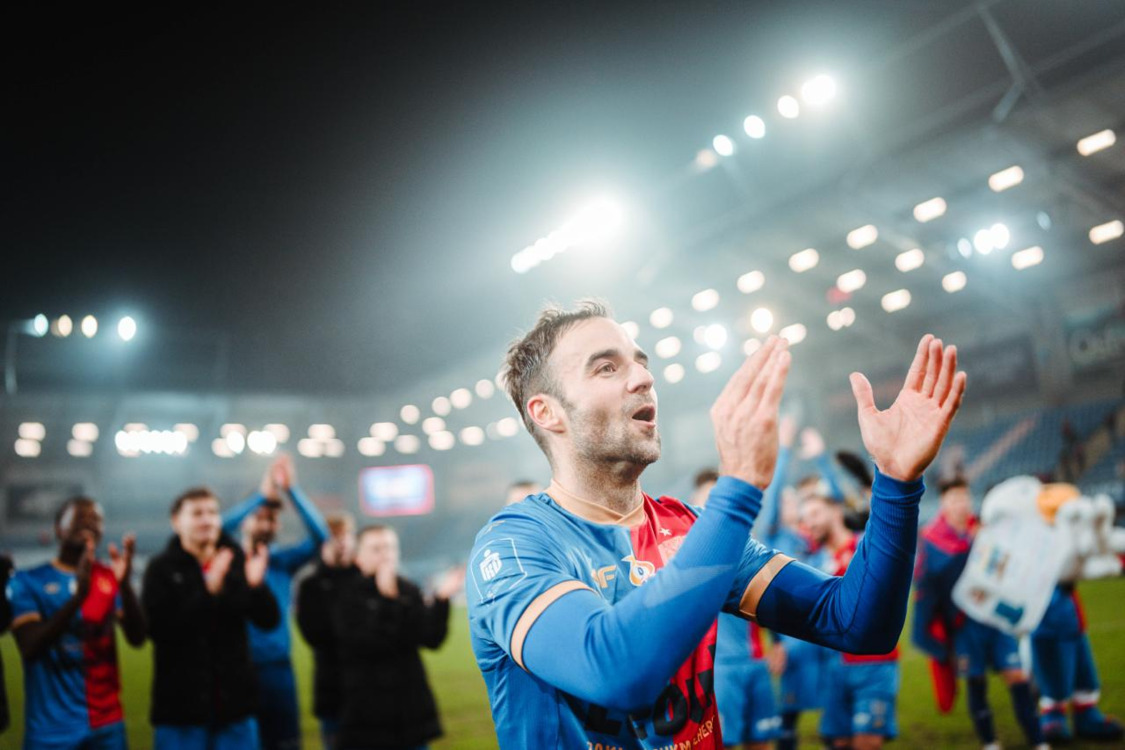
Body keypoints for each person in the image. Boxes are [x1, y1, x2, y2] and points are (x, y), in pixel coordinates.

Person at [467, 301, 965, 748]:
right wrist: (738, 488)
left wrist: (896, 483)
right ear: (547, 412)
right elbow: (615, 670)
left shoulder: (690, 527)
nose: (642, 378)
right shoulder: (511, 548)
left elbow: (856, 624)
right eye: (606, 367)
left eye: (641, 362)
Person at [912, 477, 1047, 750]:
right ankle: (990, 743)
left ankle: (1038, 741)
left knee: (1018, 677)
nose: (961, 504)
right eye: (954, 499)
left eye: (964, 497)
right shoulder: (932, 540)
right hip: (963, 626)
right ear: (944, 504)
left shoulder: (986, 529)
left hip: (995, 619)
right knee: (976, 682)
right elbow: (926, 584)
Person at [142, 487, 279, 749]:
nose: (207, 520)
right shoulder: (161, 569)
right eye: (197, 514)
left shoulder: (235, 560)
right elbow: (158, 630)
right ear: (176, 522)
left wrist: (256, 587)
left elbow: (268, 620)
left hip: (236, 711)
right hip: (181, 713)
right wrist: (208, 590)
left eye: (213, 513)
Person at [6, 497, 145, 750]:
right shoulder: (27, 581)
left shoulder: (109, 577)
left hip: (106, 724)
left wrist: (125, 587)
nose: (89, 522)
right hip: (50, 729)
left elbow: (137, 639)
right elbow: (30, 647)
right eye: (80, 517)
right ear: (59, 528)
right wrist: (78, 597)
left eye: (96, 519)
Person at [222, 454, 329, 750]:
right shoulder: (227, 561)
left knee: (285, 744)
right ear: (245, 520)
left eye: (272, 518)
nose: (266, 524)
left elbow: (322, 538)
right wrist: (261, 496)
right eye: (260, 516)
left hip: (279, 670)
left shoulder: (282, 562)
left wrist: (291, 490)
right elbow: (218, 530)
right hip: (237, 669)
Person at [332, 525, 464, 750]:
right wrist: (388, 600)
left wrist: (441, 600)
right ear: (358, 557)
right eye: (376, 549)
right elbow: (368, 645)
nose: (385, 555)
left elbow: (431, 639)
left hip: (411, 714)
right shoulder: (346, 594)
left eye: (390, 548)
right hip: (367, 715)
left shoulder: (407, 589)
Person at [801, 487, 899, 750]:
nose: (809, 523)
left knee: (867, 742)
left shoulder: (866, 547)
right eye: (805, 518)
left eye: (815, 514)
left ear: (835, 511)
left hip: (873, 663)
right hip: (833, 666)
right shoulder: (813, 563)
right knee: (839, 742)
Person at [696, 470, 779, 750]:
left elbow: (768, 599)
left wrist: (778, 643)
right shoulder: (690, 558)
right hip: (719, 669)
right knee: (723, 742)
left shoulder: (746, 550)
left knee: (761, 741)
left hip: (756, 662)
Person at [296, 512, 360, 750]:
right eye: (334, 536)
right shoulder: (310, 585)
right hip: (332, 690)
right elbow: (315, 635)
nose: (341, 542)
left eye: (346, 535)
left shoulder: (366, 577)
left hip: (368, 691)